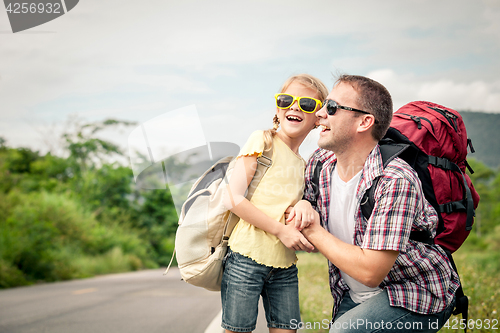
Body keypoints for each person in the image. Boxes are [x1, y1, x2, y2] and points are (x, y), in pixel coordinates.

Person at [288, 75, 459, 333]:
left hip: (415, 294)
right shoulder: (320, 163)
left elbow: (370, 271)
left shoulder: (395, 180)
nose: (320, 114)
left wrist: (312, 230)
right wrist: (303, 204)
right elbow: (308, 200)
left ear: (364, 122)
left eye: (332, 108)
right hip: (354, 292)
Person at [221, 74, 329, 333]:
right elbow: (232, 197)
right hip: (246, 258)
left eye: (306, 104)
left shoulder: (305, 164)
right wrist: (281, 230)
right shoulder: (263, 141)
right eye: (286, 100)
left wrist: (305, 205)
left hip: (285, 266)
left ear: (318, 118)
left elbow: (292, 204)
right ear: (278, 110)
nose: (294, 107)